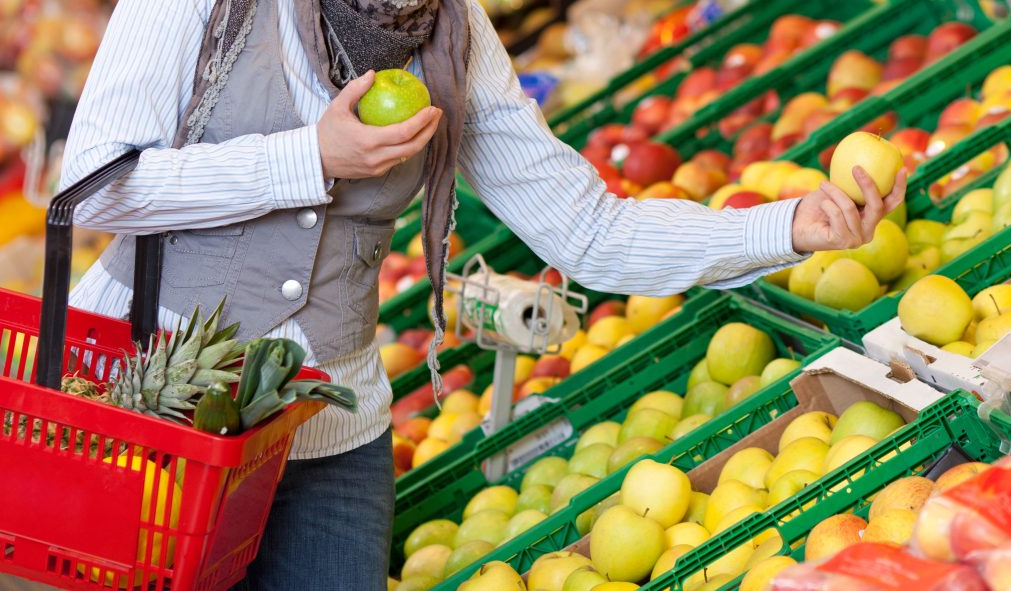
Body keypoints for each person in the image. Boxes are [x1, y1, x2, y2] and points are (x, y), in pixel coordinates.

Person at [60, 0, 906, 589]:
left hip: (331, 427)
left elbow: (586, 232)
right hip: (154, 407)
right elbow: (91, 185)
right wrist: (309, 155)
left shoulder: (455, 34)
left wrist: (785, 229)